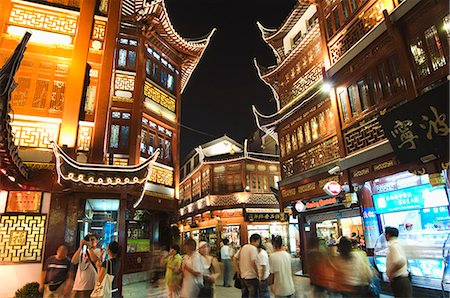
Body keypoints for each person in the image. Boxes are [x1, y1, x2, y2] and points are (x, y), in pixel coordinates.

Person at [385, 227, 412, 297]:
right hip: (402, 279)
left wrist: (390, 272)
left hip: (399, 280)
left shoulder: (393, 246)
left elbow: (400, 261)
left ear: (388, 235)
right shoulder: (398, 244)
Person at [233, 234, 261, 298]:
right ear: (256, 241)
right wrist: (258, 273)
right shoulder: (253, 249)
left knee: (244, 295)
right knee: (254, 295)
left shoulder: (243, 247)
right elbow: (254, 262)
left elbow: (234, 258)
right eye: (258, 242)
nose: (258, 244)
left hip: (243, 276)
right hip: (252, 276)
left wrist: (238, 270)